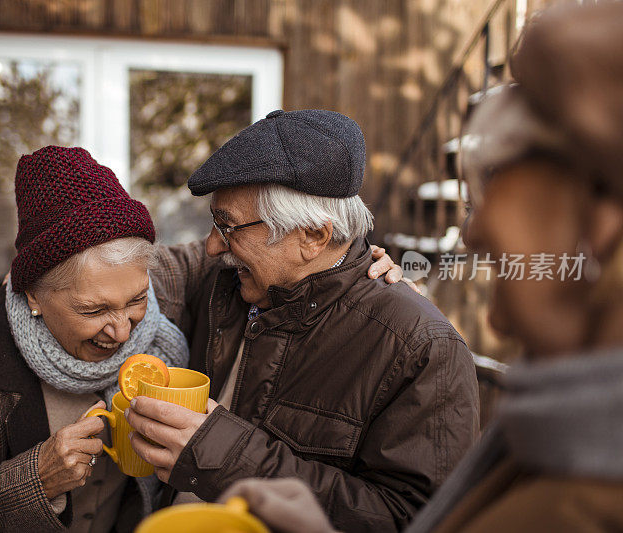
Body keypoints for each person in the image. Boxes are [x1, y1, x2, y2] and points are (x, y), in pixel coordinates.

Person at [220, 3, 623, 532]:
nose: (474, 228)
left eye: (502, 173)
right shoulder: (558, 435)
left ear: (601, 213)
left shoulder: (587, 494)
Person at [126, 109, 481, 531]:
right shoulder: (220, 277)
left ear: (313, 235)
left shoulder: (421, 348)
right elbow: (108, 273)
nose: (211, 245)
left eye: (229, 226)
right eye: (213, 221)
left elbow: (416, 520)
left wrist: (225, 455)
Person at [0, 146, 191, 532]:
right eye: (94, 310)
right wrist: (36, 480)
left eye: (136, 300)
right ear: (33, 295)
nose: (124, 331)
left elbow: (229, 250)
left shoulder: (157, 280)